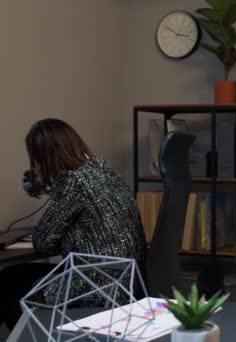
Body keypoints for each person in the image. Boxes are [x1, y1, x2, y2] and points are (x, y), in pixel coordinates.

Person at [0, 118, 146, 330]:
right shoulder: (108, 173)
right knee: (15, 277)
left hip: (95, 285)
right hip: (126, 281)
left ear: (46, 157)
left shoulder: (74, 181)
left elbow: (43, 242)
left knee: (8, 282)